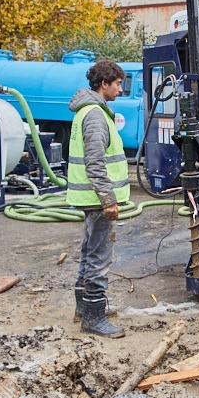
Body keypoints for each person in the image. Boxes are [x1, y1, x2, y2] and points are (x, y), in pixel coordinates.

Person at [66, 60, 130, 338]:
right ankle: (93, 318)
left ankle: (84, 308)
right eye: (117, 84)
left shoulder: (88, 110)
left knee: (89, 250)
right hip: (97, 197)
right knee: (99, 256)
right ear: (103, 83)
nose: (120, 89)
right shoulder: (94, 114)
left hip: (89, 196)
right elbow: (95, 162)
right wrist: (108, 199)